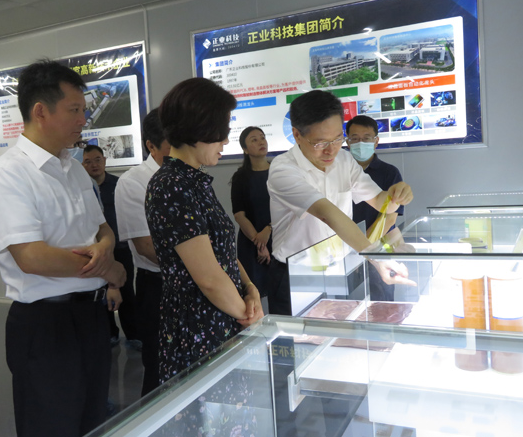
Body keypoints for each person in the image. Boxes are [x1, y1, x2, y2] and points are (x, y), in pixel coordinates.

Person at [0, 59, 126, 437]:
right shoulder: (7, 175)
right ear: (40, 111)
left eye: (83, 110)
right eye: (74, 110)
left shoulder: (73, 169)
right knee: (51, 425)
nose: (83, 119)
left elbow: (103, 229)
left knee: (92, 420)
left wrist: (106, 248)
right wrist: (108, 268)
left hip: (91, 317)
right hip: (45, 325)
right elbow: (33, 257)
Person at [146, 77, 263, 384]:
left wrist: (249, 287)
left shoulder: (195, 181)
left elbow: (221, 252)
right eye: (222, 132)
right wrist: (249, 316)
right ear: (199, 131)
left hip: (225, 315)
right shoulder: (171, 186)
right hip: (199, 329)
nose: (225, 142)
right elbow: (209, 279)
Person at [267, 90, 416, 315]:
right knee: (299, 334)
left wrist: (395, 196)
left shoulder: (344, 159)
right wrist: (375, 258)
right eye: (320, 143)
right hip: (296, 274)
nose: (331, 150)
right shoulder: (283, 169)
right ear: (296, 135)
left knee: (336, 332)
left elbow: (379, 201)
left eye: (337, 139)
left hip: (337, 270)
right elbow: (328, 213)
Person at [114, 108, 170, 396]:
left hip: (197, 281)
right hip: (159, 286)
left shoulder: (193, 174)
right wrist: (202, 269)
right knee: (160, 370)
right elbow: (146, 247)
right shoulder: (133, 182)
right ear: (152, 145)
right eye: (175, 141)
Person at [82, 144, 139, 349]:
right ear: (82, 165)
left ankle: (133, 334)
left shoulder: (118, 185)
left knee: (127, 292)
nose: (94, 165)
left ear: (105, 160)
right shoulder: (82, 189)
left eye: (97, 160)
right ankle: (110, 333)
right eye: (88, 162)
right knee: (102, 294)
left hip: (121, 248)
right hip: (97, 250)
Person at [346, 115, 406, 302]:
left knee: (382, 302)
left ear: (376, 141)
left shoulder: (389, 172)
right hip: (345, 250)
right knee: (345, 302)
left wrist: (362, 248)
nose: (360, 143)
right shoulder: (338, 172)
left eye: (366, 138)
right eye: (355, 138)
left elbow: (390, 218)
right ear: (347, 142)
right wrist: (353, 250)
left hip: (379, 247)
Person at [230, 126, 272, 298]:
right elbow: (239, 215)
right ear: (245, 149)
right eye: (254, 140)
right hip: (251, 242)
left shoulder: (278, 172)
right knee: (253, 294)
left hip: (278, 237)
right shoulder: (240, 177)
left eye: (262, 137)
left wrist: (268, 229)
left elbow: (288, 208)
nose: (261, 142)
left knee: (281, 292)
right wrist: (260, 244)